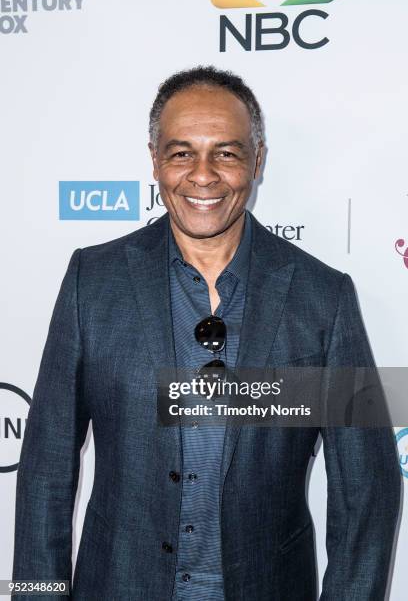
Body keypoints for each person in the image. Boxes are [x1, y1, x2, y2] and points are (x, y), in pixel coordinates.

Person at [13, 65, 401, 600]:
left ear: (257, 161)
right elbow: (45, 472)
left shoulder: (323, 297)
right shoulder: (92, 281)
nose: (202, 175)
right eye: (181, 153)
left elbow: (367, 493)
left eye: (226, 152)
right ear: (155, 160)